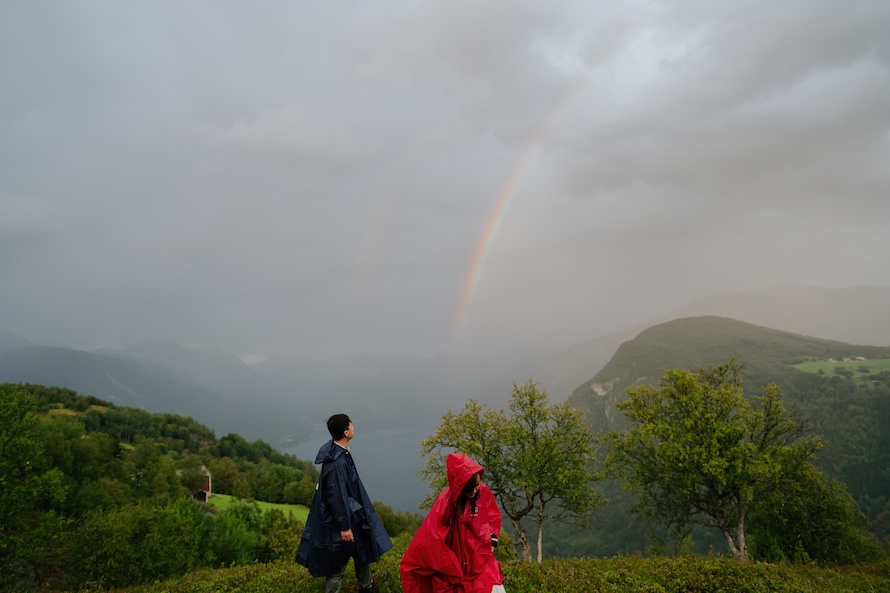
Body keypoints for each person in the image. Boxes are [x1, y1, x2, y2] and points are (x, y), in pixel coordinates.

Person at [296, 414, 393, 593]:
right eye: (351, 425)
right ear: (346, 432)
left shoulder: (340, 452)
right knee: (337, 566)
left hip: (352, 516)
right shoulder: (336, 462)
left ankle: (367, 587)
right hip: (342, 523)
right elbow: (336, 496)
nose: (354, 427)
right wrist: (344, 526)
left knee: (361, 554)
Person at [400, 453, 504, 593]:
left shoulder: (482, 491)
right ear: (462, 487)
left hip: (481, 563)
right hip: (457, 571)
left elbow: (492, 515)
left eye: (478, 485)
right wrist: (452, 568)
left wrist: (492, 540)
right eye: (472, 487)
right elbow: (432, 539)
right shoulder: (445, 502)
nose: (476, 490)